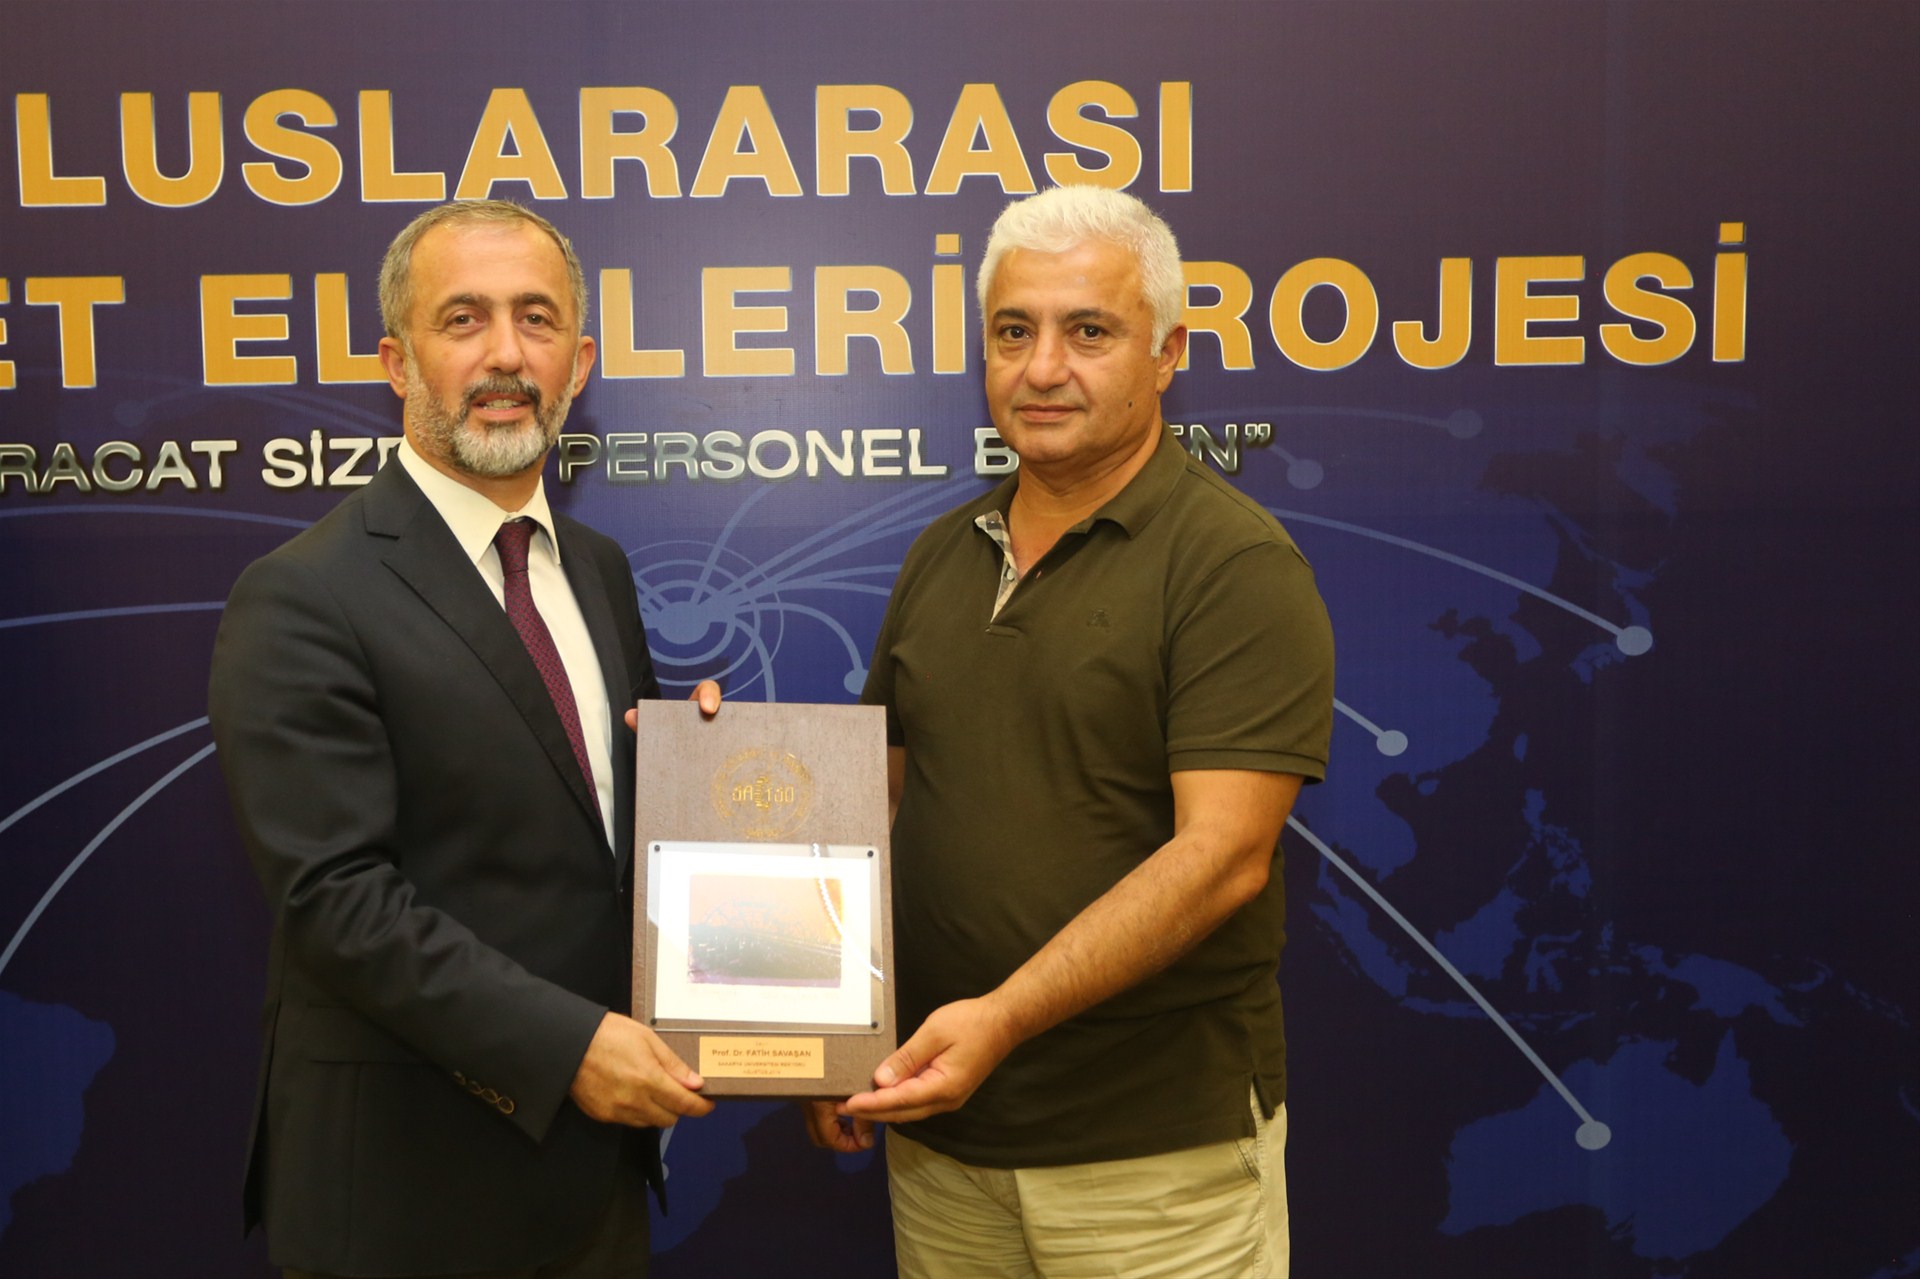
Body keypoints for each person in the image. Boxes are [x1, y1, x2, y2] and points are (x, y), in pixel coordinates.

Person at [808, 185, 1334, 1278]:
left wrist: (1001, 1017)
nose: (1042, 368)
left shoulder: (1232, 565)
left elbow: (1224, 858)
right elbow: (876, 813)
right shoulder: (943, 553)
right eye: (1014, 331)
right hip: (943, 1140)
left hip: (1154, 1163)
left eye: (1088, 331)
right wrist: (828, 1031)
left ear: (1167, 352)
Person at [209, 199, 717, 1278]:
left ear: (580, 362)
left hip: (591, 1186)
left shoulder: (598, 571)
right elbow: (337, 899)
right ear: (397, 361)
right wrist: (567, 1047)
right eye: (463, 319)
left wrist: (698, 770)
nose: (505, 355)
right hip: (407, 1192)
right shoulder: (303, 595)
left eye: (536, 319)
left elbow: (601, 844)